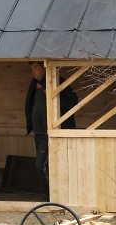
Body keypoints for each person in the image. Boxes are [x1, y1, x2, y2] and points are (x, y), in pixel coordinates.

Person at [25, 61, 78, 199]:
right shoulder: (34, 84)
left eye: (35, 68)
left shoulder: (59, 82)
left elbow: (72, 103)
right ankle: (49, 195)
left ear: (44, 68)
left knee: (58, 165)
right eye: (31, 69)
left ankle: (59, 196)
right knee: (41, 166)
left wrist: (53, 94)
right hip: (40, 133)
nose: (33, 71)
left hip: (59, 133)